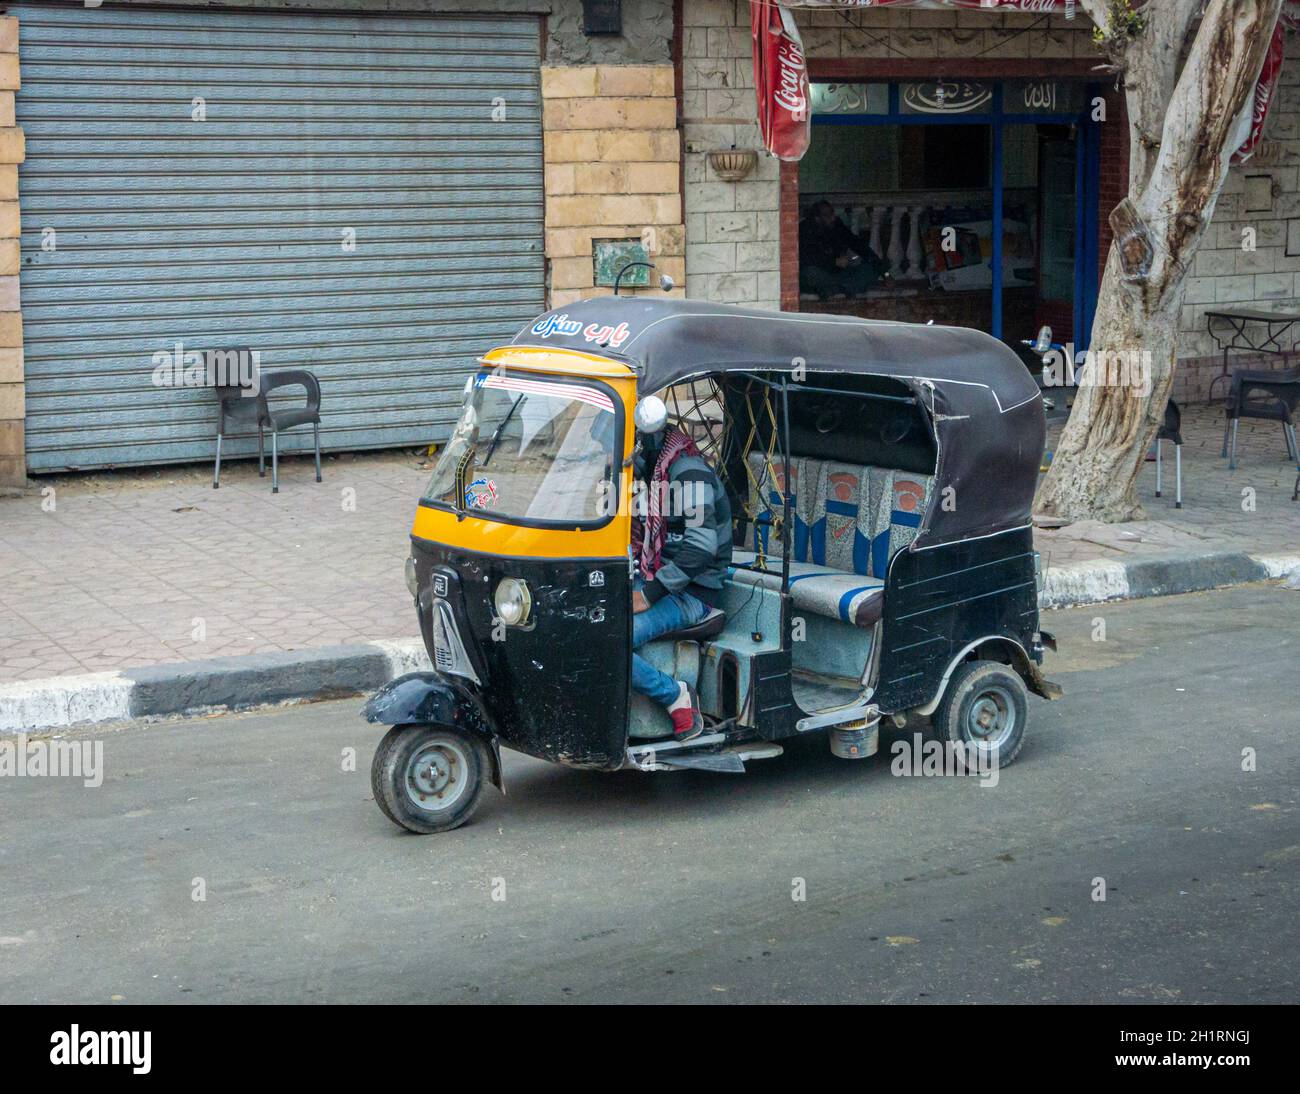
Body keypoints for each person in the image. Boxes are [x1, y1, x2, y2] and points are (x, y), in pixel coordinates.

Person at [630, 423, 733, 741]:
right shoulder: (647, 470)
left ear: (643, 439)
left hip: (691, 591)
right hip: (647, 575)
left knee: (610, 638)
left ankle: (675, 696)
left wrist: (648, 595)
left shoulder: (689, 472)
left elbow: (701, 548)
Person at [798, 200, 885, 301]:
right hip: (821, 274)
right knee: (810, 274)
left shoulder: (837, 226)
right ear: (817, 218)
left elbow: (859, 246)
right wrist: (833, 262)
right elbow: (807, 259)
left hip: (839, 275)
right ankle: (839, 289)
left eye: (832, 213)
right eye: (827, 215)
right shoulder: (805, 230)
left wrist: (885, 273)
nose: (832, 218)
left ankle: (840, 289)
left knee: (868, 269)